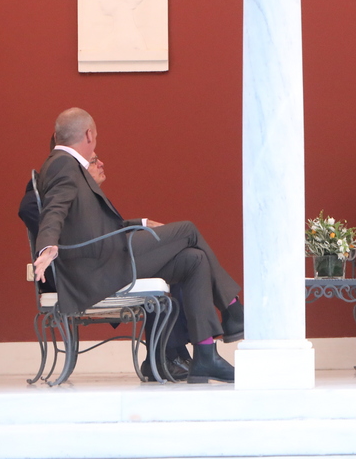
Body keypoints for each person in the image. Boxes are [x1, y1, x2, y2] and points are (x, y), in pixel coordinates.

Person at [32, 108, 241, 383]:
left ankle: (206, 355)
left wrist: (138, 222)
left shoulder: (65, 164)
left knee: (194, 260)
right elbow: (54, 209)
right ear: (89, 135)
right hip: (99, 268)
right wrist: (47, 245)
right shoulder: (63, 164)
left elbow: (87, 223)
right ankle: (233, 309)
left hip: (106, 259)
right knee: (188, 230)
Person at [18, 143, 192, 381]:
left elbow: (107, 233)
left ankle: (170, 356)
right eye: (92, 160)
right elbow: (37, 213)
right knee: (170, 258)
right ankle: (168, 358)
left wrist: (140, 223)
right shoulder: (47, 190)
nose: (100, 163)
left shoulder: (86, 198)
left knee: (176, 261)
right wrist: (55, 243)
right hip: (81, 276)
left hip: (101, 265)